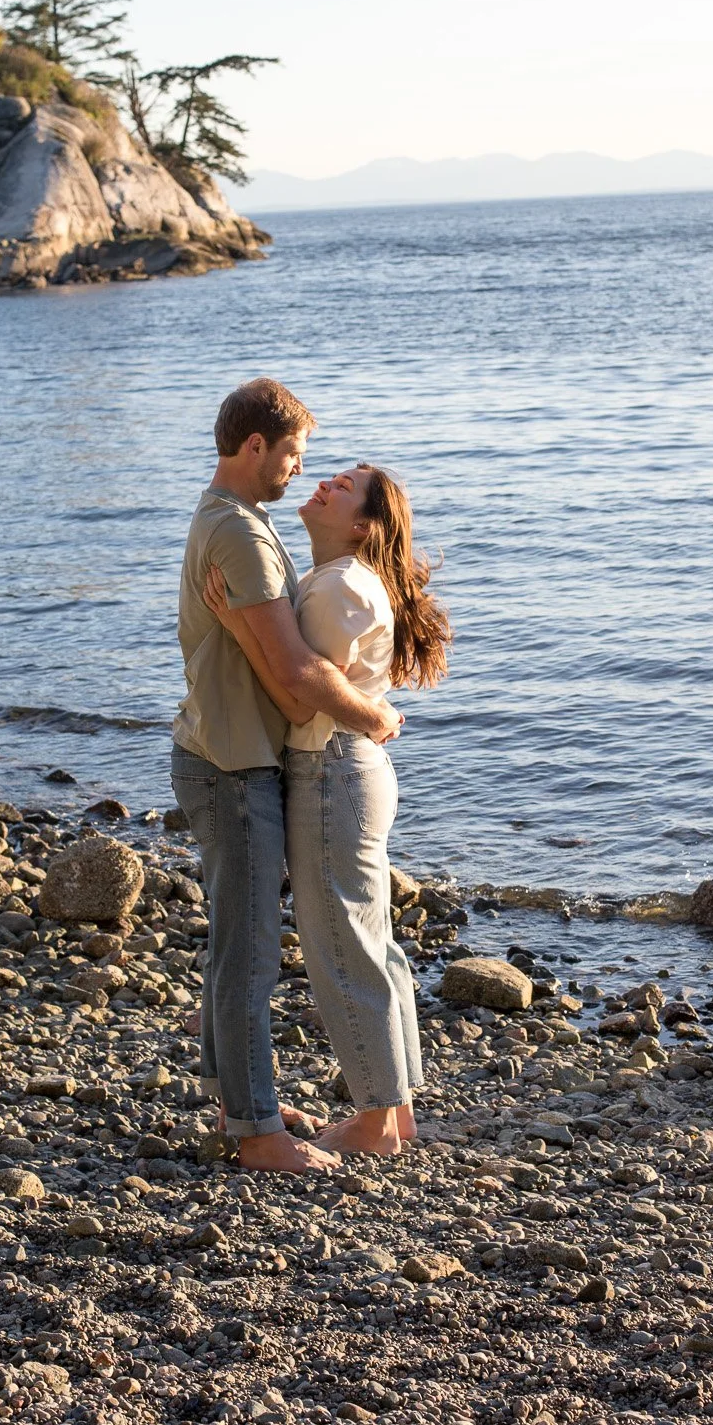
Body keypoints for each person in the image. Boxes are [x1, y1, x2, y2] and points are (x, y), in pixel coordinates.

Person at [170, 380, 403, 1175]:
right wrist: (372, 717)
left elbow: (289, 664)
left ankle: (242, 1097)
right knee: (250, 953)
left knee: (240, 946)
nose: (301, 470)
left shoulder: (240, 523)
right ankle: (257, 1133)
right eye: (294, 453)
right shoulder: (239, 532)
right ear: (254, 448)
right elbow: (296, 673)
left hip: (226, 754)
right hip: (231, 765)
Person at [204, 462, 450, 1155]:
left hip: (330, 770)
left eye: (341, 488)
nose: (322, 484)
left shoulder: (340, 585)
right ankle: (392, 1112)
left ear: (364, 525)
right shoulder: (338, 580)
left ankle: (375, 1123)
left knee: (342, 948)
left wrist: (235, 622)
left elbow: (296, 695)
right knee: (371, 943)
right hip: (348, 769)